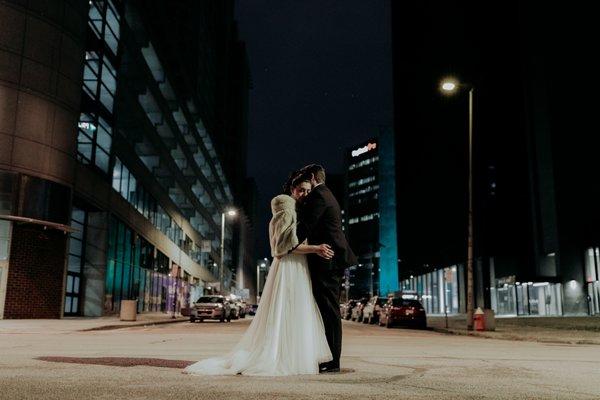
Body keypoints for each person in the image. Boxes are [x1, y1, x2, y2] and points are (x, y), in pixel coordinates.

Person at [184, 171, 334, 376]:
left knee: (293, 313)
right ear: (292, 189)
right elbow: (282, 248)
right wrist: (315, 248)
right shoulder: (286, 207)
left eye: (307, 191)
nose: (304, 194)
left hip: (296, 267)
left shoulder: (295, 208)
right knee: (286, 311)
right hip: (289, 267)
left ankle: (290, 355)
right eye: (300, 190)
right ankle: (281, 357)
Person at [292, 164, 357, 373]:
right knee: (328, 311)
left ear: (311, 177)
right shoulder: (326, 194)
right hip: (330, 261)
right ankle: (329, 357)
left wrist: (287, 243)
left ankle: (333, 361)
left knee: (329, 311)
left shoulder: (319, 196)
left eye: (305, 179)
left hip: (328, 262)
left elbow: (304, 228)